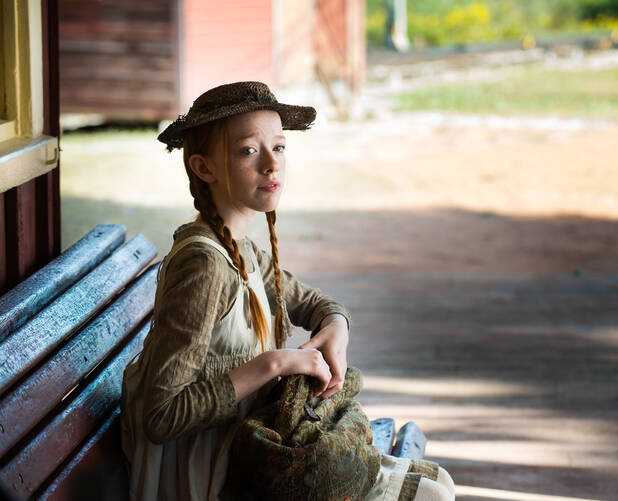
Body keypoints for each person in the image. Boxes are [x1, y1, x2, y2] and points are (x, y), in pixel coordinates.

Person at [119, 81, 455, 501]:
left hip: (249, 447)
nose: (270, 165)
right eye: (247, 151)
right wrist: (275, 363)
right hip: (208, 472)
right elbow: (161, 415)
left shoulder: (238, 247)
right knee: (431, 495)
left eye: (278, 147)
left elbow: (317, 304)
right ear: (204, 168)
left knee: (436, 483)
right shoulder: (204, 264)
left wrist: (336, 326)